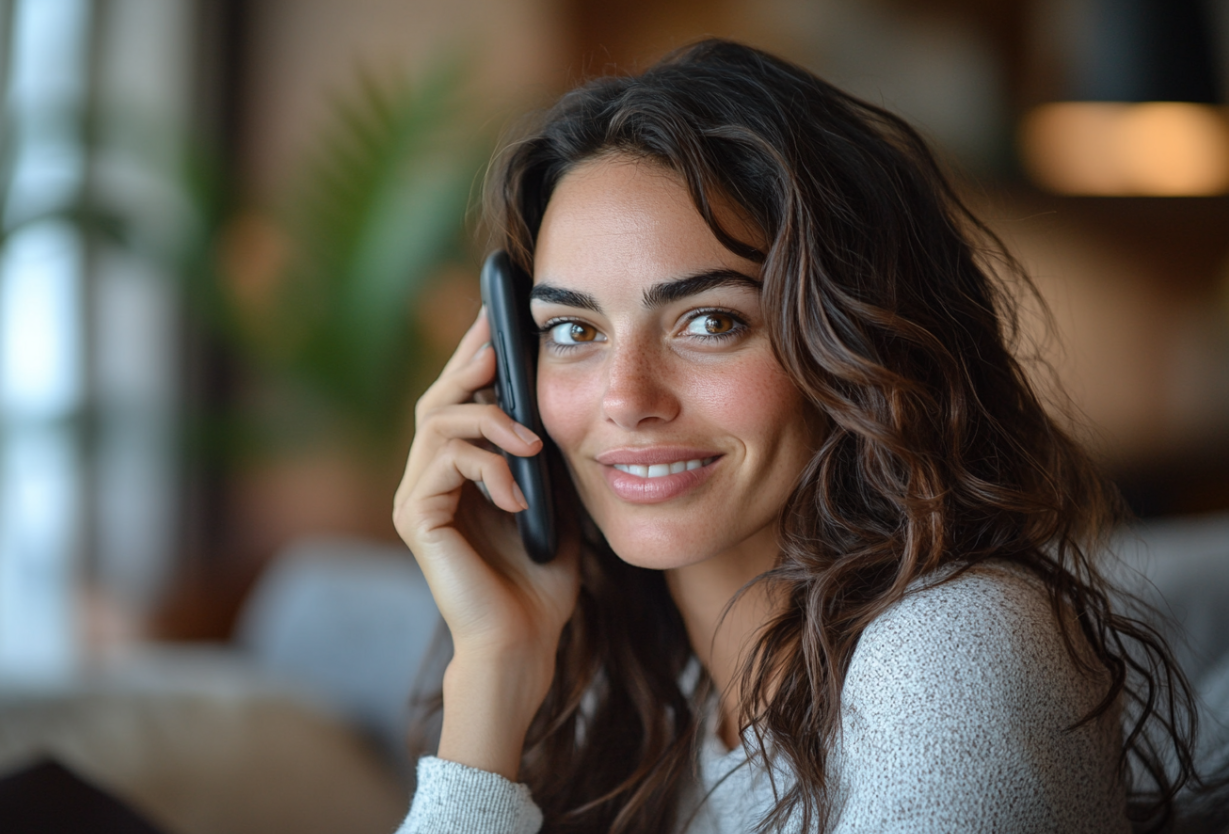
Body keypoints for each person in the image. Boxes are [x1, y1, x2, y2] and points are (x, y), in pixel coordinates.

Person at [391, 39, 1196, 833]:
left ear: (855, 349)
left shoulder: (946, 655)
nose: (625, 399)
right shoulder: (631, 686)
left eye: (710, 321)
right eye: (572, 330)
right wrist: (496, 666)